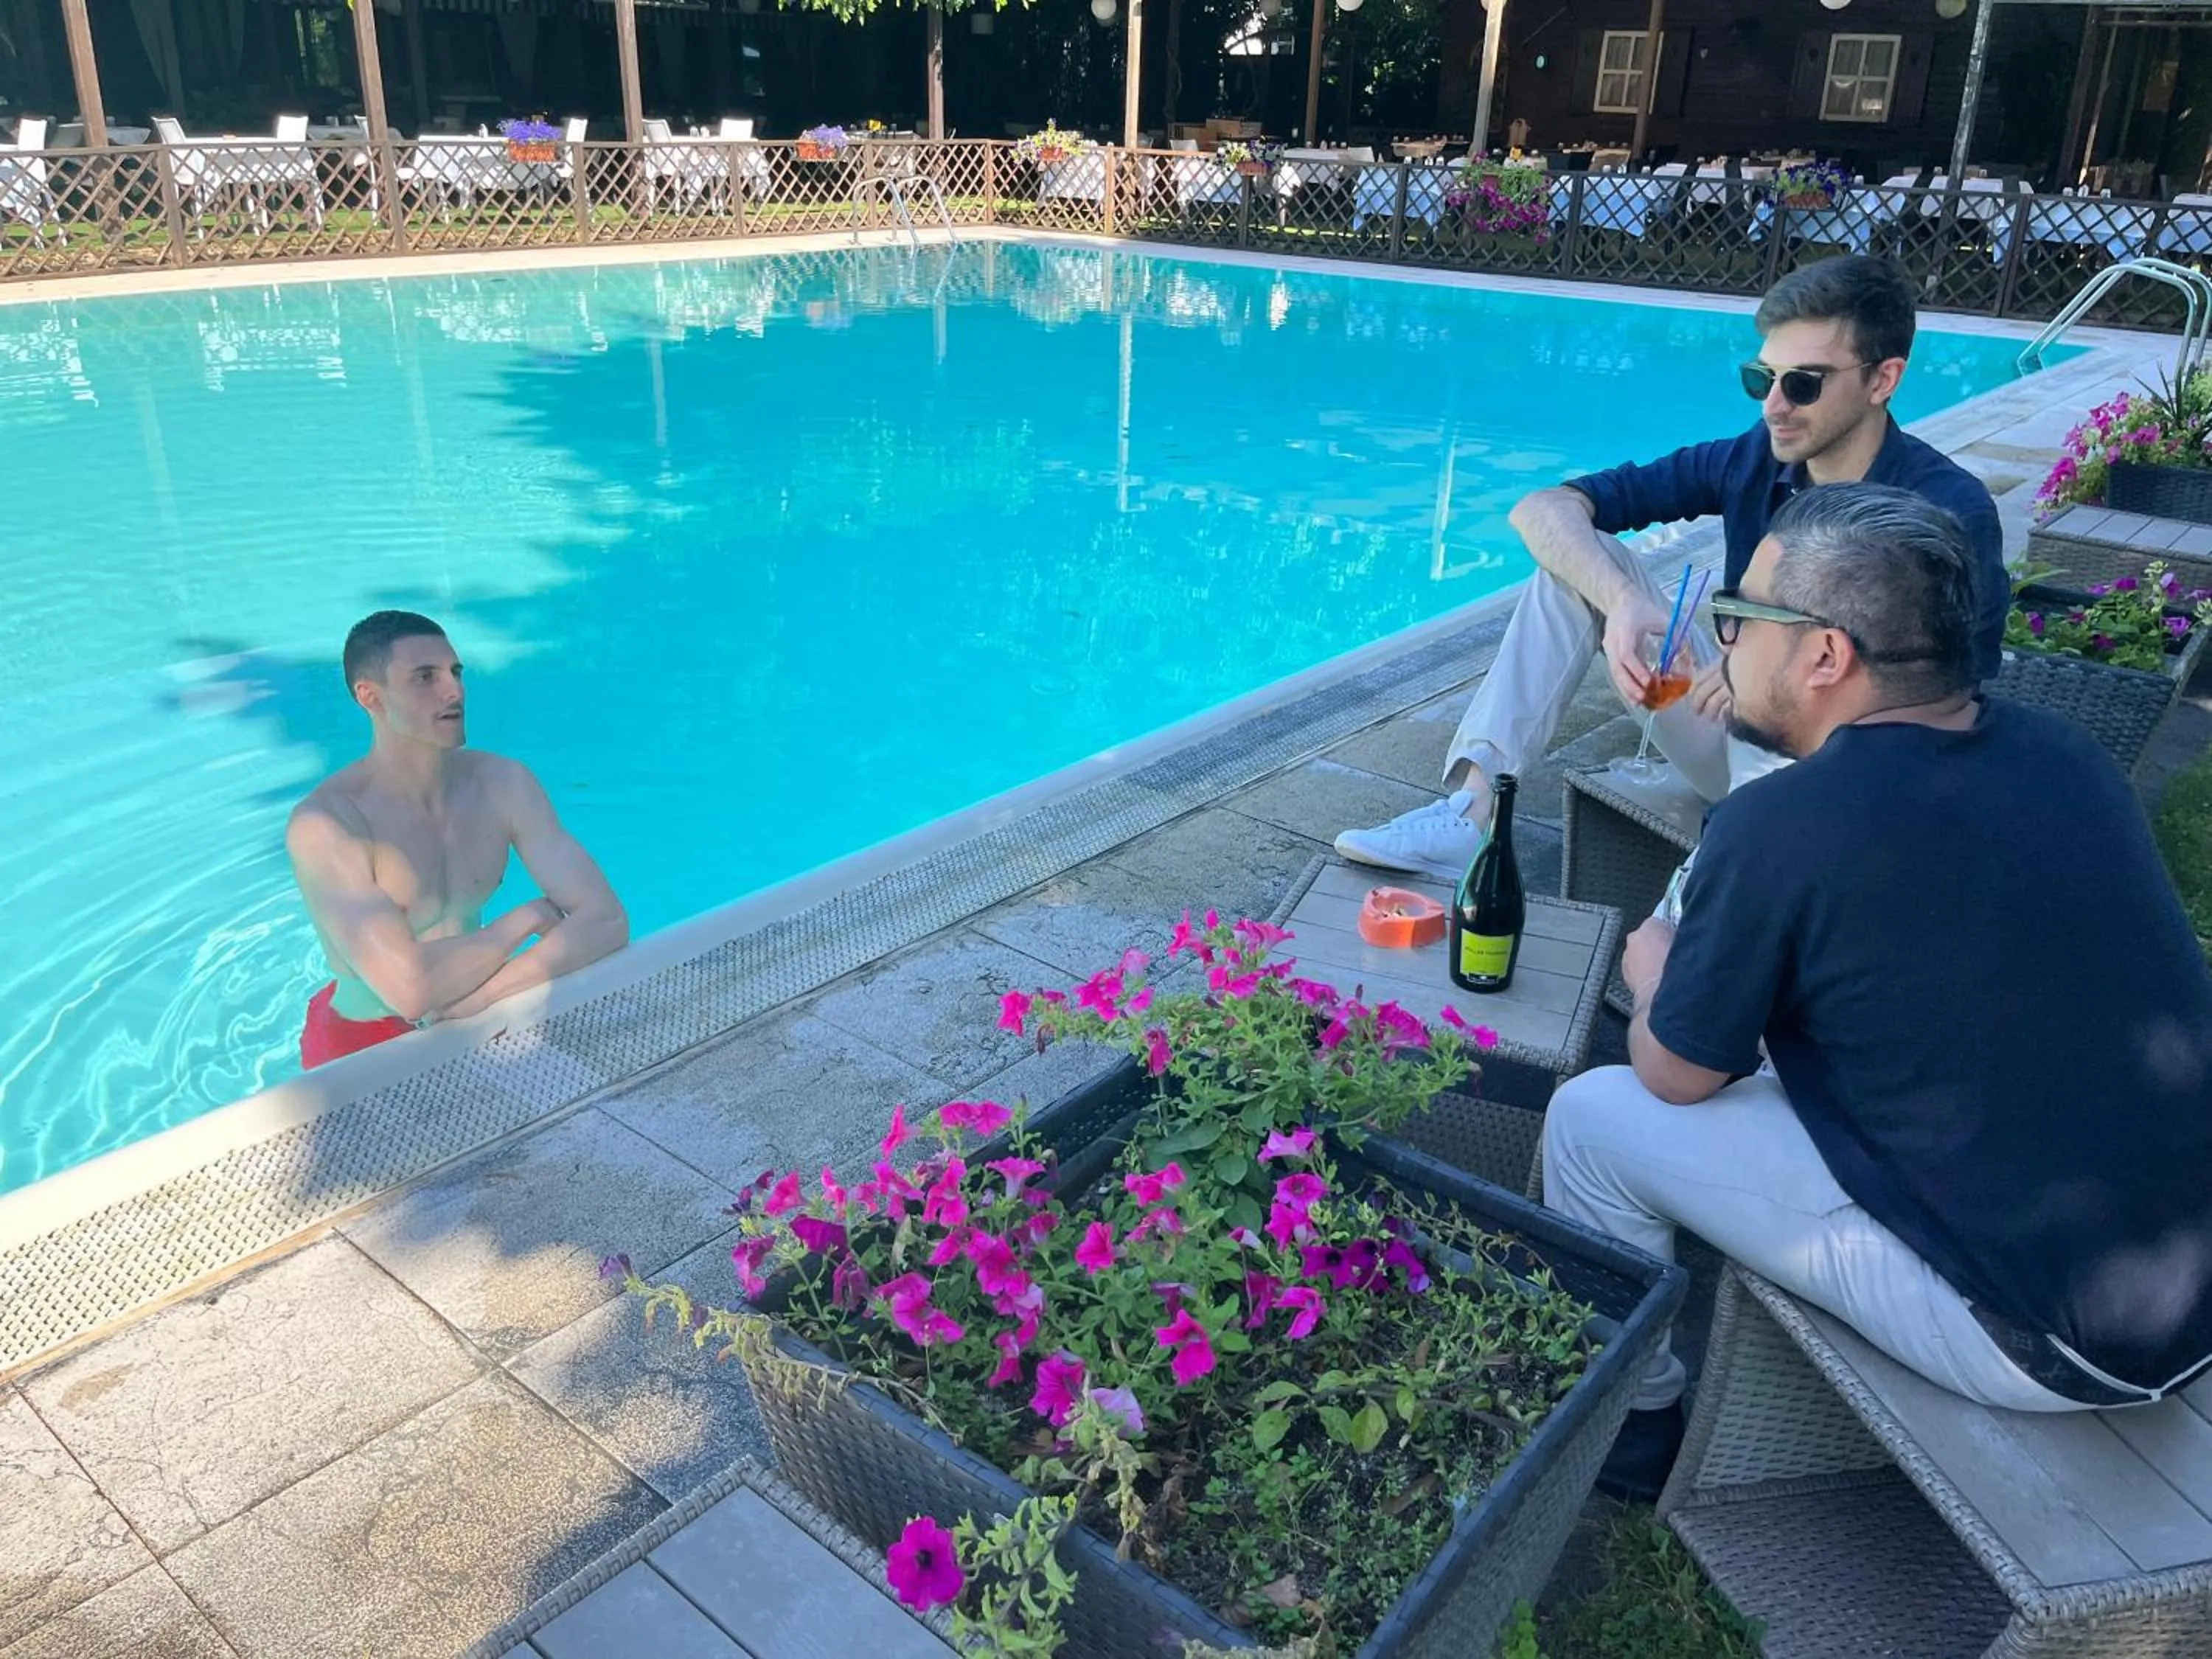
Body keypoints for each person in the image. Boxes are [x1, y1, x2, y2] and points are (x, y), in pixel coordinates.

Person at [1542, 484, 2212, 1500]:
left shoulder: (1782, 824)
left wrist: (1652, 971)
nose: (1723, 647)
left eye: (1740, 618)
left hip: (2054, 1337)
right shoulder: (2067, 756)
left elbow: (1673, 1071)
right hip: (2182, 1278)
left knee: (1592, 1116)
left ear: (1823, 655)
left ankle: (1630, 1432)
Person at [1334, 255, 2007, 880]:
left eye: (1802, 384)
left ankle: (1730, 876)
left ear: (1882, 380)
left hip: (1830, 783)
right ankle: (1471, 812)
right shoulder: (1757, 458)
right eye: (1761, 379)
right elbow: (1545, 509)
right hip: (1725, 720)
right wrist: (1622, 602)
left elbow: (1947, 708)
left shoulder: (1945, 512)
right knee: (1575, 566)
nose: (1773, 406)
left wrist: (1763, 678)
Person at [286, 611, 628, 1068]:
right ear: (371, 698)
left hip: (476, 1002)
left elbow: (608, 922)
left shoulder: (503, 783)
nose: (454, 690)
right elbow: (408, 991)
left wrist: (484, 999)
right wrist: (530, 916)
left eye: (456, 672)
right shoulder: (329, 824)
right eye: (425, 677)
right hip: (365, 1037)